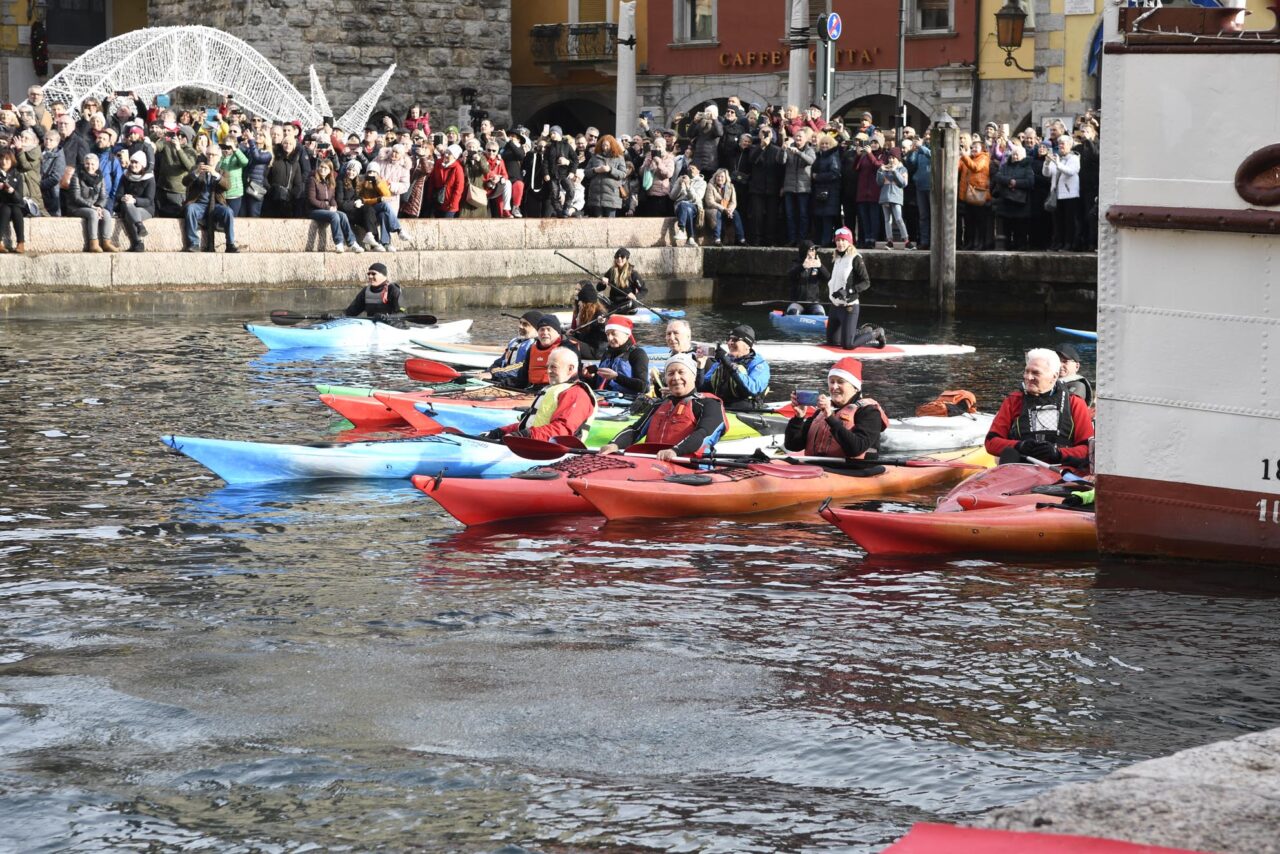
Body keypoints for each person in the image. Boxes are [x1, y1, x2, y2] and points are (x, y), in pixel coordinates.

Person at [600, 354, 728, 462]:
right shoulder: (659, 405)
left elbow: (704, 434)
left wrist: (675, 451)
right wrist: (614, 444)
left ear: (693, 376)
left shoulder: (709, 404)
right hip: (655, 464)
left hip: (689, 468)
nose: (676, 377)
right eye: (670, 373)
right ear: (666, 378)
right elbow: (635, 430)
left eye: (681, 372)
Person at [985, 347, 1094, 473]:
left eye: (1036, 373)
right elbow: (991, 442)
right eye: (1027, 371)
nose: (1028, 377)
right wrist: (1019, 446)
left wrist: (1057, 453)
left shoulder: (1075, 403)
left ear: (1054, 376)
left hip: (1060, 471)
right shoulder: (1013, 401)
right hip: (1020, 469)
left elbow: (1088, 450)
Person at [483, 347, 598, 442]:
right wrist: (500, 432)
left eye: (553, 367)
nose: (548, 371)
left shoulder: (576, 393)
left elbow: (562, 431)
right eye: (547, 366)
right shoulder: (553, 389)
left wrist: (523, 436)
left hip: (553, 450)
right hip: (536, 443)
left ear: (570, 368)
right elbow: (528, 424)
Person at [783, 357, 888, 459]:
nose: (834, 387)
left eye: (840, 382)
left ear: (855, 387)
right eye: (832, 382)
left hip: (851, 470)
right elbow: (792, 446)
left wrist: (830, 418)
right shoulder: (821, 412)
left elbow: (856, 449)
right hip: (819, 467)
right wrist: (798, 418)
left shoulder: (869, 412)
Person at [825, 228, 882, 350]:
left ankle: (876, 333)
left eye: (843, 240)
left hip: (849, 307)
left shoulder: (856, 258)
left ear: (849, 242)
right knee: (832, 343)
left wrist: (848, 291)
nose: (840, 243)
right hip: (835, 307)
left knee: (848, 345)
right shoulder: (837, 258)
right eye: (838, 240)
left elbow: (866, 282)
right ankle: (863, 332)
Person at [491, 314, 576, 389]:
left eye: (548, 329)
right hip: (534, 390)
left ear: (557, 332)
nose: (545, 333)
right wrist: (503, 383)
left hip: (558, 389)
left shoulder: (568, 347)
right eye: (541, 330)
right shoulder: (532, 349)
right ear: (538, 332)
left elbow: (574, 377)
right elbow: (522, 379)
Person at [699, 324, 770, 412]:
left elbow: (752, 389)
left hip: (746, 411)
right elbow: (701, 389)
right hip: (721, 408)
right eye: (729, 339)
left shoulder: (759, 364)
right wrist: (700, 367)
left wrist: (729, 364)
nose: (729, 343)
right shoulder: (722, 361)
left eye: (735, 340)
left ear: (748, 345)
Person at [182, 148, 237, 253]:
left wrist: (215, 174)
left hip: (216, 205)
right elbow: (185, 182)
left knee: (228, 212)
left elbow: (227, 186)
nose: (210, 157)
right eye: (208, 154)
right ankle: (193, 243)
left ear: (219, 157)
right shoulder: (197, 168)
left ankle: (230, 244)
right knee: (190, 209)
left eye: (213, 155)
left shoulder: (223, 171)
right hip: (199, 204)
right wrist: (196, 173)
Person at [583, 314, 649, 398]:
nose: (610, 338)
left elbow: (644, 387)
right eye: (607, 334)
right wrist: (589, 377)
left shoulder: (638, 354)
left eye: (614, 334)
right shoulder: (607, 353)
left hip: (627, 401)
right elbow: (598, 385)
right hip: (604, 398)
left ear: (627, 334)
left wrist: (616, 377)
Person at [67, 153, 119, 253]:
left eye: (92, 164)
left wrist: (99, 206)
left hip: (95, 206)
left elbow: (104, 196)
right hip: (78, 207)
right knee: (93, 214)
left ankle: (106, 242)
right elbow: (76, 197)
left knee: (107, 214)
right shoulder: (77, 176)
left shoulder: (100, 177)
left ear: (97, 165)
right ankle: (93, 243)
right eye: (87, 164)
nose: (90, 166)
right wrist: (92, 207)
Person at [307, 158, 361, 252]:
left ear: (329, 171)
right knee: (334, 215)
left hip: (327, 209)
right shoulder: (312, 180)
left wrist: (334, 206)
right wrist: (328, 207)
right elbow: (312, 199)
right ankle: (339, 243)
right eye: (321, 167)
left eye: (326, 168)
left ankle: (352, 243)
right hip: (314, 210)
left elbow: (332, 198)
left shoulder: (330, 182)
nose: (322, 169)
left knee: (343, 215)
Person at [115, 151, 155, 252]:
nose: (133, 165)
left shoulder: (149, 178)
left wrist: (134, 200)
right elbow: (118, 194)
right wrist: (123, 198)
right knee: (128, 206)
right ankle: (139, 225)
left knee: (129, 214)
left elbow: (149, 200)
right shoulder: (125, 176)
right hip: (126, 206)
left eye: (136, 163)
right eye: (132, 162)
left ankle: (138, 243)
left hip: (145, 208)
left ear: (142, 165)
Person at [876, 149, 909, 250]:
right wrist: (880, 171)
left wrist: (894, 171)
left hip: (896, 197)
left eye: (893, 158)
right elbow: (879, 182)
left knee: (899, 219)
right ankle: (889, 241)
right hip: (885, 197)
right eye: (889, 158)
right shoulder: (884, 168)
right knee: (887, 220)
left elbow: (903, 183)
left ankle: (906, 241)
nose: (890, 160)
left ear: (897, 158)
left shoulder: (903, 169)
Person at [703, 167, 745, 246]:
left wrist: (730, 210)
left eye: (722, 177)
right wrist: (724, 209)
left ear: (726, 178)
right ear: (715, 177)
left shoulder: (730, 186)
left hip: (727, 209)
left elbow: (733, 202)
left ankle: (741, 239)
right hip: (713, 209)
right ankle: (717, 239)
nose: (720, 178)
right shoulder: (710, 185)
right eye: (718, 176)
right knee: (717, 213)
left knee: (735, 213)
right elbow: (709, 202)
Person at [569, 281, 609, 359]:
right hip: (589, 345)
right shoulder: (587, 314)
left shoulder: (599, 314)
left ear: (585, 304)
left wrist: (602, 323)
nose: (578, 304)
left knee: (566, 339)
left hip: (595, 352)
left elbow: (603, 331)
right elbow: (585, 335)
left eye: (580, 302)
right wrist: (574, 334)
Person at [787, 240, 829, 315]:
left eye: (814, 250)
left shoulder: (817, 264)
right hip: (798, 303)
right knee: (793, 312)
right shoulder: (796, 264)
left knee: (820, 313)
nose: (813, 252)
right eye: (811, 250)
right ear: (804, 251)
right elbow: (790, 276)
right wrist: (802, 267)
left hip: (813, 303)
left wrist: (820, 267)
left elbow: (828, 278)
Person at [600, 247, 647, 313]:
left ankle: (609, 311)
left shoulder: (633, 273)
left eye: (622, 256)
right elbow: (599, 288)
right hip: (613, 302)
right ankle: (612, 310)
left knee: (633, 304)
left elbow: (644, 290)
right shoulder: (611, 271)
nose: (619, 259)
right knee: (597, 298)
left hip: (626, 303)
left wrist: (635, 296)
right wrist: (602, 283)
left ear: (626, 259)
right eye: (617, 257)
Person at [670, 165, 706, 246]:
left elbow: (697, 198)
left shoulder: (702, 183)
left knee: (686, 206)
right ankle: (690, 239)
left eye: (693, 168)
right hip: (680, 207)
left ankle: (682, 230)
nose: (690, 170)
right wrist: (679, 185)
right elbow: (672, 196)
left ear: (698, 171)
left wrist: (688, 186)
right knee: (685, 206)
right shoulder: (680, 179)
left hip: (695, 206)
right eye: (689, 168)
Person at [0, 148, 26, 253]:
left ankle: (21, 243)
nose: (4, 162)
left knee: (16, 210)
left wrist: (12, 191)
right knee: (6, 209)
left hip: (14, 204)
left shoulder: (17, 175)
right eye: (1, 159)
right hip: (2, 204)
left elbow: (20, 199)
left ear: (12, 161)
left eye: (7, 159)